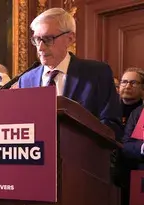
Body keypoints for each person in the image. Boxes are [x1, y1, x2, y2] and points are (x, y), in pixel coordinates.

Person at [18, 8, 122, 139]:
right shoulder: (26, 80)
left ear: (70, 38)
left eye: (48, 39)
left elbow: (111, 124)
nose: (40, 47)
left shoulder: (97, 73)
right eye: (37, 40)